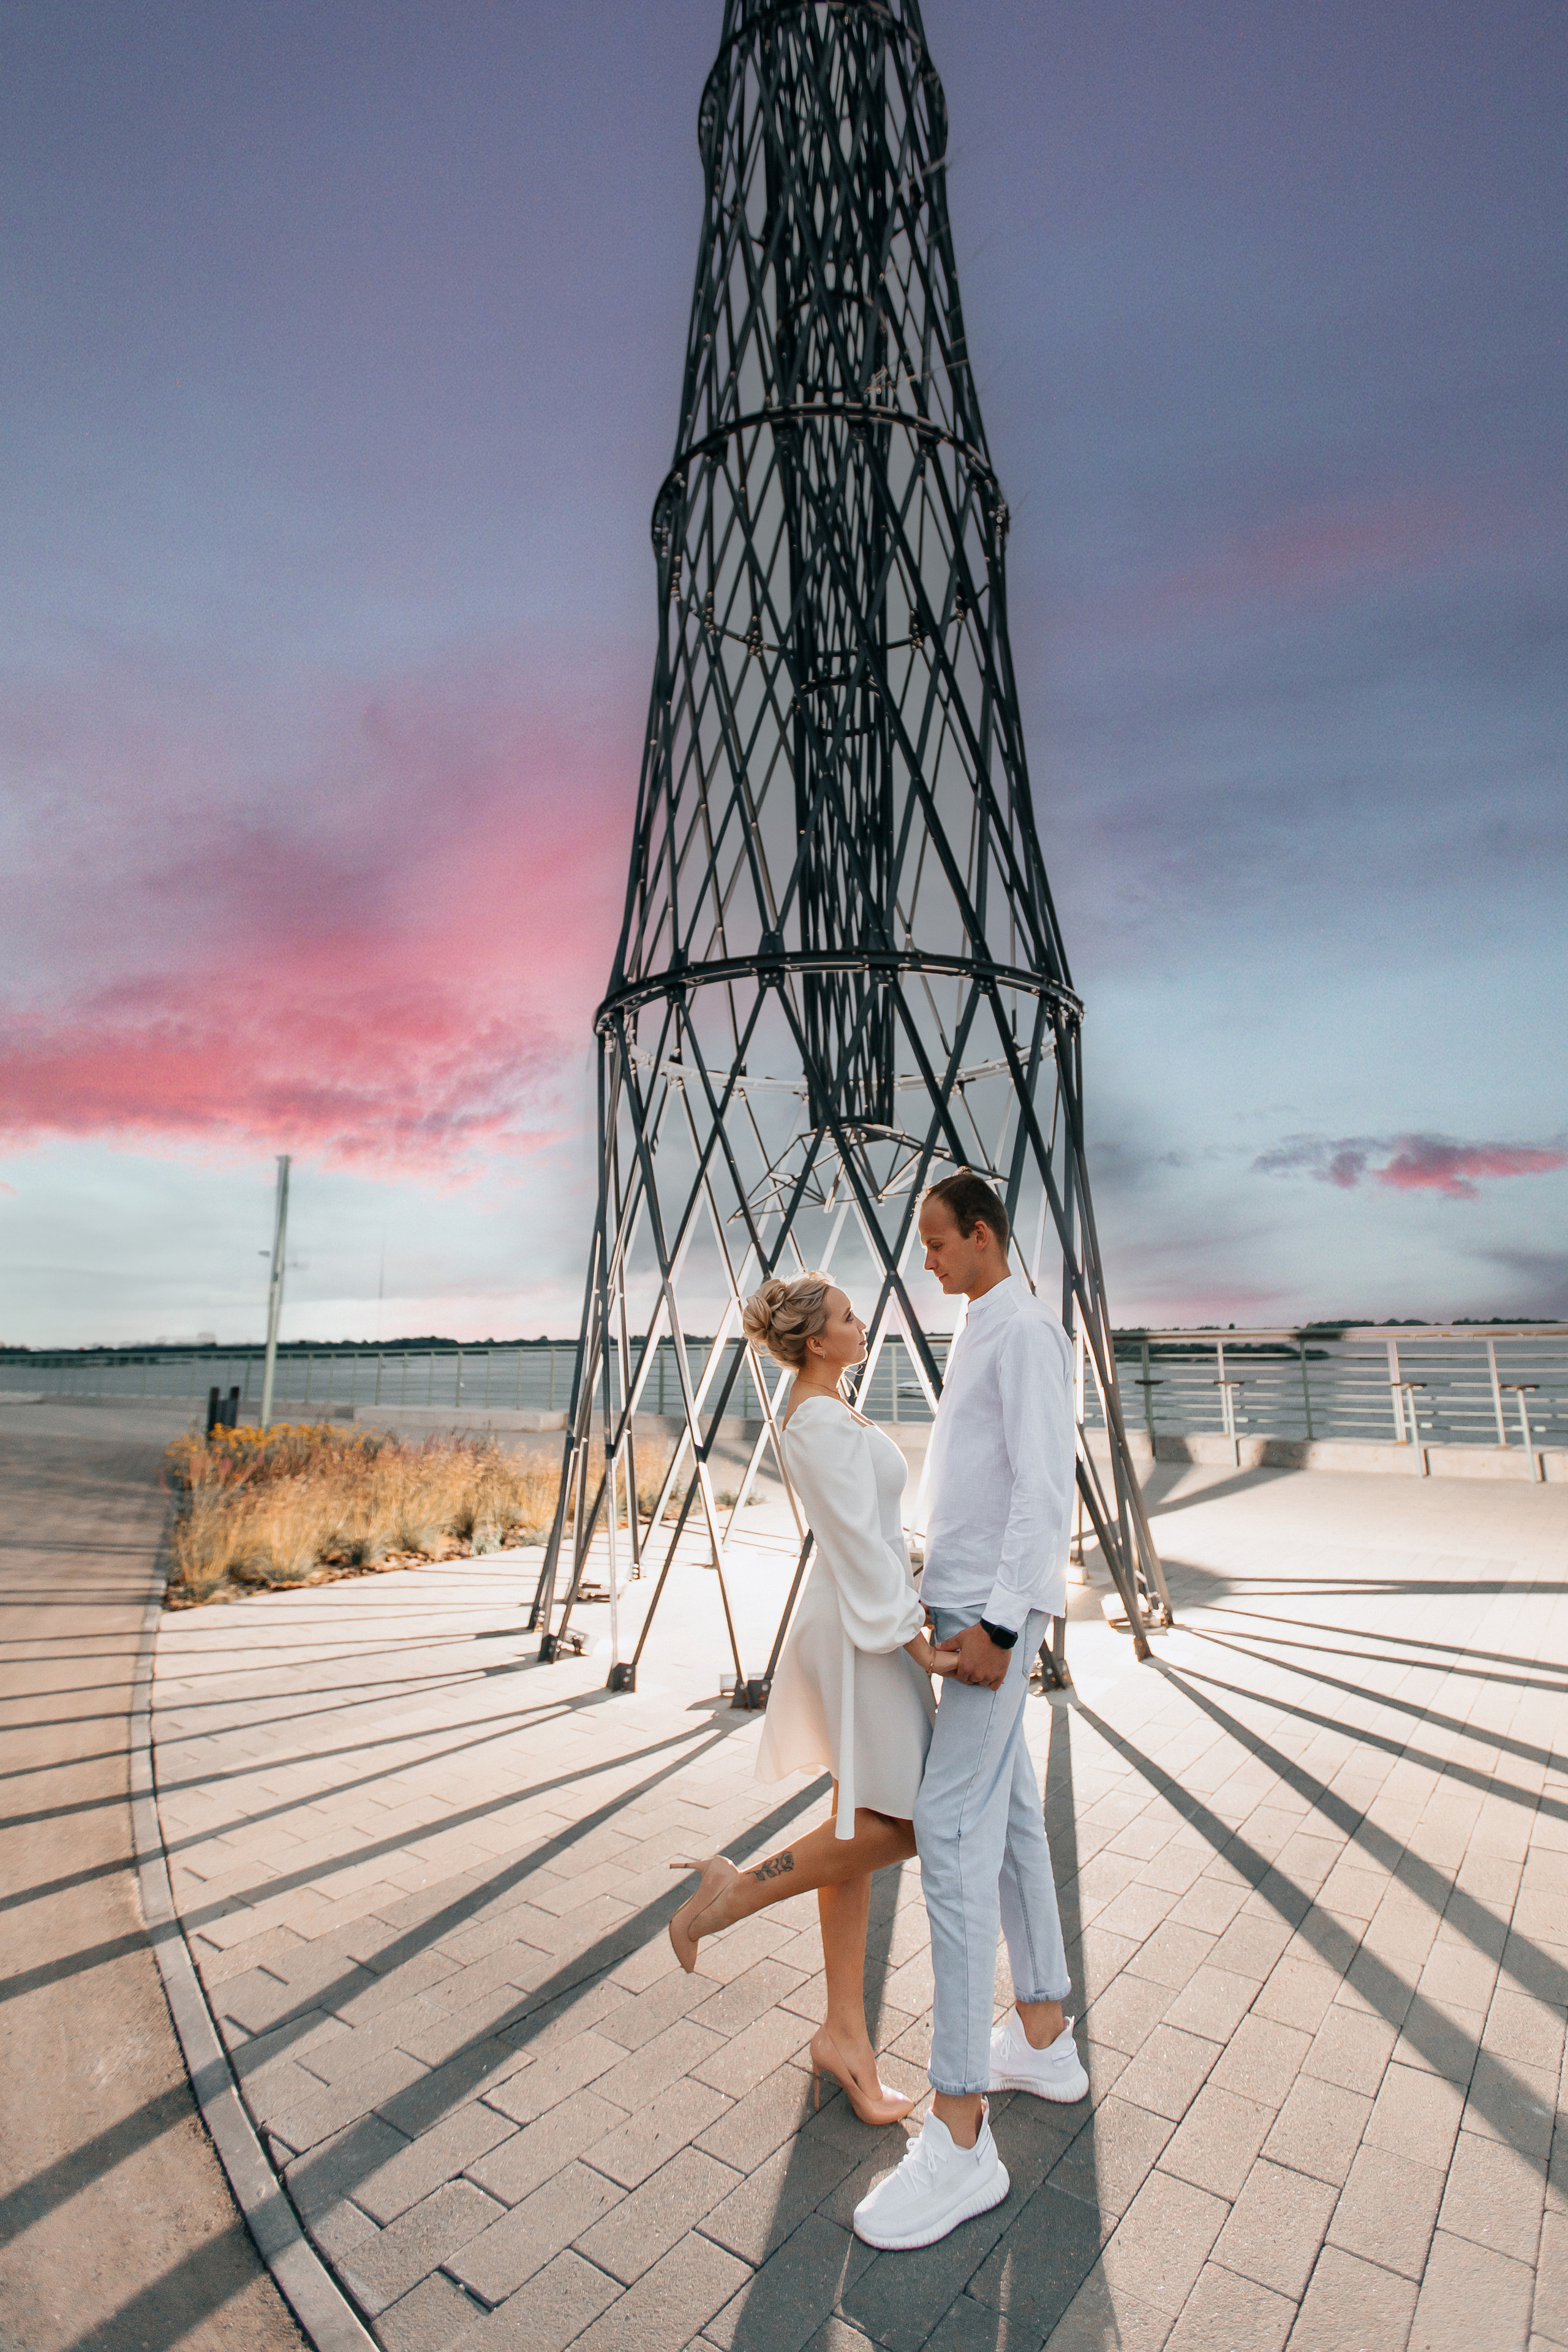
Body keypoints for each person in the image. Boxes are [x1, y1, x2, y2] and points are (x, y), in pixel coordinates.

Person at [853, 1169, 1088, 2253]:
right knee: (1011, 1827)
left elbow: (1047, 1492)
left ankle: (959, 2132)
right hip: (965, 1604)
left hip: (992, 1619)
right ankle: (1040, 2031)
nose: (929, 1261)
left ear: (986, 1235)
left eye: (941, 1243)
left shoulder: (1028, 1334)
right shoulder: (984, 1325)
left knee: (950, 1833)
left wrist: (998, 1629)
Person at [666, 1272, 958, 2126]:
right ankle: (733, 1896)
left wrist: (920, 1592)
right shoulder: (818, 1419)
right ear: (817, 1340)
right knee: (902, 1825)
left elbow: (877, 1534)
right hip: (863, 1639)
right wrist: (920, 1645)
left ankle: (843, 2037)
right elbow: (859, 1547)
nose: (861, 1323)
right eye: (847, 1316)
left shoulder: (831, 1407)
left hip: (870, 1624)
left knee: (855, 1825)